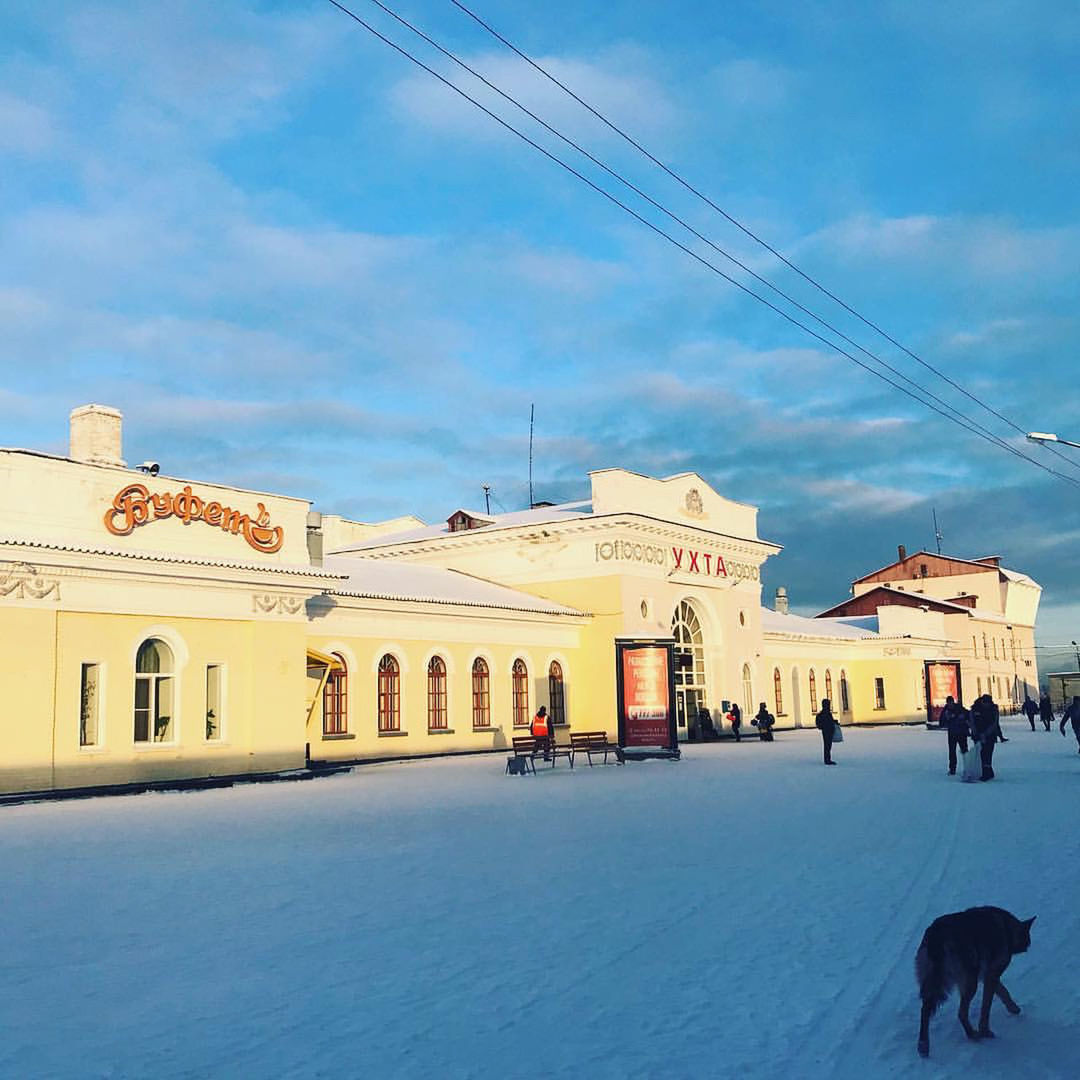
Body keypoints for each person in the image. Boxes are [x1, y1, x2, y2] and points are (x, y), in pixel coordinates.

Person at [971, 694, 1005, 781]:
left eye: (988, 703)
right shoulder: (975, 709)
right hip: (977, 735)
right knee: (981, 754)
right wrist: (977, 733)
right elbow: (972, 722)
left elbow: (994, 724)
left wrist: (985, 734)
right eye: (984, 702)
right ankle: (986, 772)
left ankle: (987, 772)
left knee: (988, 753)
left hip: (990, 736)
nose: (986, 704)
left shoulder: (993, 710)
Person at [940, 695, 969, 775]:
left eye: (951, 703)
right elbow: (941, 722)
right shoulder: (946, 710)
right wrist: (946, 718)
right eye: (949, 703)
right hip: (952, 733)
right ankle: (952, 769)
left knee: (964, 750)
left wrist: (963, 718)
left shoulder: (959, 708)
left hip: (961, 733)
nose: (950, 704)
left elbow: (967, 714)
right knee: (952, 752)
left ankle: (967, 767)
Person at [816, 698, 838, 765]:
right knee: (827, 745)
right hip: (827, 731)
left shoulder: (824, 713)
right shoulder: (826, 713)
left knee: (827, 745)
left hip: (826, 730)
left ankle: (827, 759)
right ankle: (827, 760)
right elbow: (828, 721)